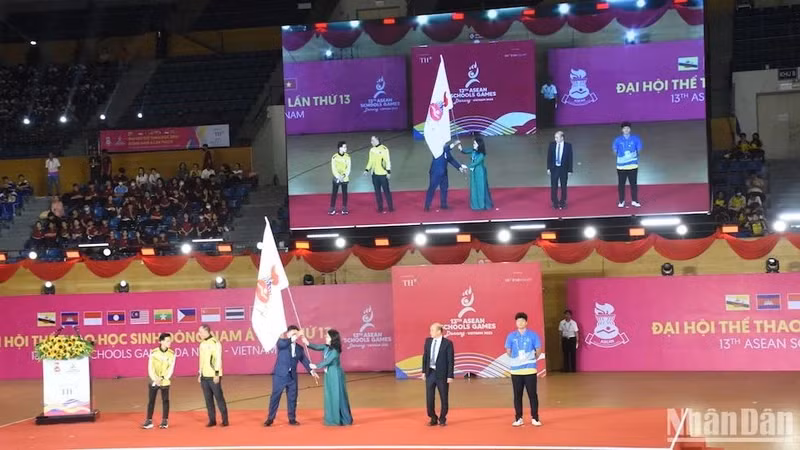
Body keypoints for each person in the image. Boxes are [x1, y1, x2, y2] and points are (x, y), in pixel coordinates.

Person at [265, 325, 319, 426]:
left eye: (296, 333)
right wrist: (298, 334)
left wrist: (312, 371)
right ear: (288, 334)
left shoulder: (299, 348)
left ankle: (292, 418)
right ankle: (270, 419)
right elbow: (284, 343)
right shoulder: (282, 343)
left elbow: (304, 360)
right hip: (280, 375)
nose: (295, 335)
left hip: (292, 377)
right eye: (293, 333)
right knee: (275, 397)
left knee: (292, 398)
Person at [302, 329, 353, 426]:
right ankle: (331, 417)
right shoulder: (326, 347)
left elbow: (327, 361)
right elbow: (316, 347)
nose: (325, 337)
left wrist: (316, 366)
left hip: (336, 375)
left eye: (327, 336)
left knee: (337, 395)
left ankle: (340, 419)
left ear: (332, 338)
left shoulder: (335, 351)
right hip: (329, 374)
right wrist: (307, 343)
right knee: (330, 395)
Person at [505, 312, 542, 427]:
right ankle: (518, 418)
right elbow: (508, 351)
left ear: (526, 322)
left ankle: (535, 418)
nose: (520, 323)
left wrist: (530, 359)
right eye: (518, 321)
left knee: (532, 394)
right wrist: (517, 360)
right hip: (516, 371)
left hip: (530, 370)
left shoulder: (533, 335)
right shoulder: (511, 336)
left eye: (522, 321)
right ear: (516, 323)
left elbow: (538, 350)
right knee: (517, 395)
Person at [421, 322, 454, 426]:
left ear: (439, 331)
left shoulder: (447, 343)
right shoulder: (428, 341)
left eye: (432, 330)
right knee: (429, 397)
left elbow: (450, 360)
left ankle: (442, 418)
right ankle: (433, 417)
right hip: (430, 373)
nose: (430, 332)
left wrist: (450, 375)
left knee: (444, 397)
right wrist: (423, 372)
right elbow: (425, 357)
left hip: (442, 375)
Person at [142, 332, 176, 429]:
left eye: (170, 341)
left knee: (165, 400)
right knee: (151, 401)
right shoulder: (153, 352)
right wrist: (155, 378)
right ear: (161, 341)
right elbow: (150, 367)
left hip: (164, 381)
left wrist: (162, 378)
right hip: (154, 380)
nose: (169, 342)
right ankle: (149, 420)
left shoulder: (172, 354)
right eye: (167, 341)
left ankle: (165, 421)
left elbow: (171, 368)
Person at [198, 324, 229, 427]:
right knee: (208, 399)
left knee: (219, 398)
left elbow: (218, 359)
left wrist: (217, 374)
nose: (199, 334)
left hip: (213, 376)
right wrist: (200, 373)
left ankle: (225, 420)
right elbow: (201, 360)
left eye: (201, 332)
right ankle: (212, 420)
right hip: (204, 376)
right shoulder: (202, 344)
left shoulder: (215, 343)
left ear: (207, 331)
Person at [424, 139, 466, 212]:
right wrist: (455, 143)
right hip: (435, 173)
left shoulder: (446, 150)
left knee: (444, 188)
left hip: (444, 173)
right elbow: (447, 148)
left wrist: (459, 168)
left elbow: (451, 160)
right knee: (432, 188)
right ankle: (427, 205)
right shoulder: (437, 150)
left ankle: (443, 204)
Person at [612, 122, 642, 208]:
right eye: (624, 128)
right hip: (621, 167)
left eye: (628, 128)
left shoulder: (636, 139)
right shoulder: (617, 140)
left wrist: (634, 155)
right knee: (621, 185)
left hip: (633, 166)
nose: (626, 130)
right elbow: (614, 150)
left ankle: (635, 201)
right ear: (622, 130)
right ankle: (621, 201)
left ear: (630, 129)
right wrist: (621, 156)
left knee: (633, 184)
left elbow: (639, 149)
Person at [460, 136, 493, 210]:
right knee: (474, 187)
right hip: (474, 172)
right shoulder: (474, 150)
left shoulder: (481, 155)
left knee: (481, 188)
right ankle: (475, 204)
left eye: (475, 143)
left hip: (480, 173)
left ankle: (481, 205)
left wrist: (466, 166)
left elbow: (476, 163)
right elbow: (466, 151)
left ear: (479, 144)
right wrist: (461, 149)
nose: (473, 144)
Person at [363, 136, 393, 213]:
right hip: (374, 174)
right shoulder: (372, 150)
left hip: (383, 174)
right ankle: (380, 208)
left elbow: (387, 161)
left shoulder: (384, 149)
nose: (371, 142)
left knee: (386, 191)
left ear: (377, 140)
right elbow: (370, 161)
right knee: (377, 192)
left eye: (372, 140)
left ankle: (390, 207)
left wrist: (388, 172)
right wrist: (366, 170)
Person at [547, 131, 573, 210]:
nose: (555, 139)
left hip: (563, 169)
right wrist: (548, 168)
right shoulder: (552, 145)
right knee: (554, 186)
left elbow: (570, 158)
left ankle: (563, 202)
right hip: (554, 168)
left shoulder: (568, 146)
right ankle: (555, 202)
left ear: (562, 138)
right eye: (555, 137)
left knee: (563, 186)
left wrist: (570, 170)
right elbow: (549, 157)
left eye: (557, 137)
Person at [329, 141, 351, 216]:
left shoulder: (347, 157)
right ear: (340, 148)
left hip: (345, 178)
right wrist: (338, 176)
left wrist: (344, 175)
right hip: (336, 178)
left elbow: (348, 168)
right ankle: (332, 208)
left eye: (346, 147)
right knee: (334, 193)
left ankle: (344, 208)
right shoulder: (334, 157)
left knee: (345, 193)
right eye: (344, 147)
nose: (346, 148)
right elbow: (333, 168)